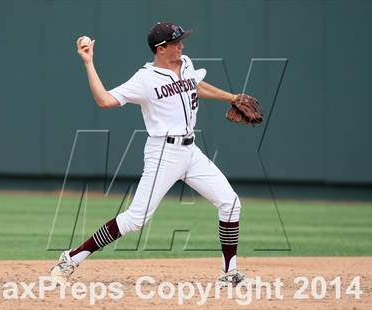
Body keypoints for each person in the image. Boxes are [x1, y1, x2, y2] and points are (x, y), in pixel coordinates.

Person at [51, 22, 248, 287]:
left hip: (191, 151)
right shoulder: (145, 79)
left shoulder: (186, 63)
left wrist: (232, 98)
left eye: (181, 40)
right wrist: (89, 63)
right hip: (163, 153)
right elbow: (105, 100)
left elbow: (195, 86)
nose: (182, 45)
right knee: (136, 218)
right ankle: (71, 258)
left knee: (230, 203)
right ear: (161, 48)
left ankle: (229, 273)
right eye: (176, 42)